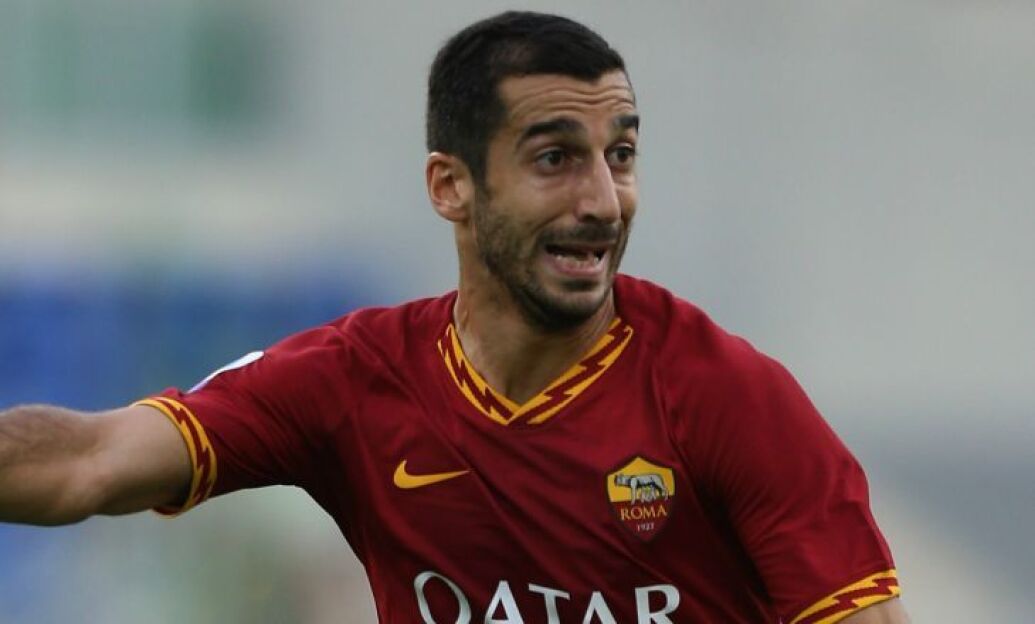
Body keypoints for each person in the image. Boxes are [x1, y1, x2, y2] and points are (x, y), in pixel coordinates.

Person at [0, 11, 907, 624]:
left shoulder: (727, 396)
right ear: (451, 186)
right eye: (555, 158)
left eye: (621, 154)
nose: (603, 199)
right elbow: (89, 462)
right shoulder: (353, 381)